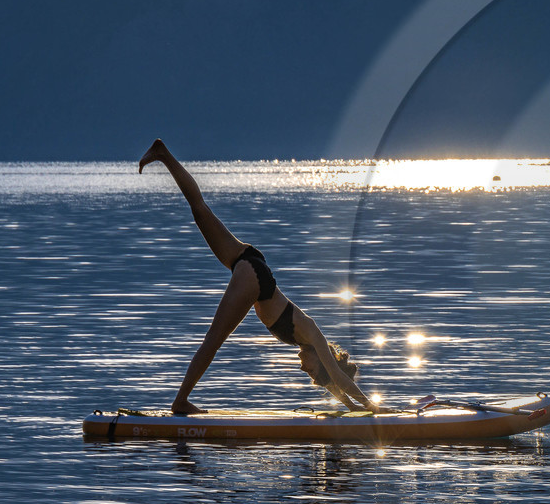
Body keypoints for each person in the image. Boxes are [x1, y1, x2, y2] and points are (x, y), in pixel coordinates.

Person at [139, 139, 376, 416]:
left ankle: (163, 154)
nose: (303, 368)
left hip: (250, 264)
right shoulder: (313, 334)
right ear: (322, 361)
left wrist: (351, 409)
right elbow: (337, 376)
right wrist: (372, 406)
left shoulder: (306, 340)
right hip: (254, 278)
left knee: (200, 210)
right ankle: (180, 401)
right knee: (213, 340)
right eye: (311, 370)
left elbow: (333, 382)